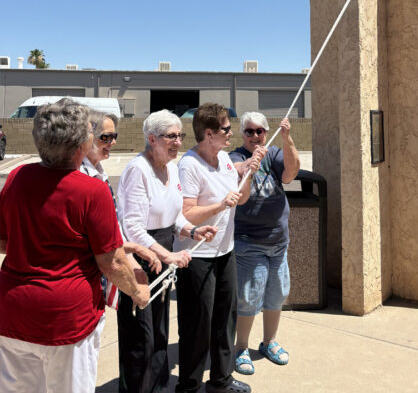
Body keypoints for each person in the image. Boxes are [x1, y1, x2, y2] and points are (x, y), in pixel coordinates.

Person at [0, 99, 149, 393]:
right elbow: (113, 263)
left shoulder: (17, 177)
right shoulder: (91, 190)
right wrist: (137, 292)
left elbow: (4, 242)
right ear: (82, 144)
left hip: (13, 311)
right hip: (67, 320)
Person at [116, 109, 217, 393]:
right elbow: (133, 227)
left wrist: (192, 231)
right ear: (152, 138)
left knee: (159, 333)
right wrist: (166, 254)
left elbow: (174, 218)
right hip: (140, 259)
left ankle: (157, 388)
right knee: (141, 336)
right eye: (171, 136)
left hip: (161, 253)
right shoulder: (138, 169)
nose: (178, 141)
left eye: (180, 135)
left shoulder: (173, 168)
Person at [174, 103, 261, 393]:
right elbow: (186, 213)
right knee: (197, 325)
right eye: (226, 129)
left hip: (225, 251)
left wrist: (248, 172)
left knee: (225, 319)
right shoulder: (189, 165)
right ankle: (189, 387)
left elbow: (242, 198)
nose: (231, 133)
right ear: (208, 134)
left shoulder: (224, 158)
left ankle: (221, 380)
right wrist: (221, 204)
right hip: (197, 255)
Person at [229, 112, 300, 376]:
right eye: (249, 131)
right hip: (248, 242)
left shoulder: (274, 153)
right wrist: (249, 165)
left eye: (260, 131)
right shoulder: (235, 156)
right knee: (248, 298)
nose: (255, 136)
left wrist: (287, 139)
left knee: (277, 294)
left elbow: (290, 174)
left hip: (279, 242)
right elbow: (237, 182)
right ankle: (241, 347)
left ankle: (268, 342)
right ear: (242, 134)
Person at [81, 111, 162, 307]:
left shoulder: (99, 173)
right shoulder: (83, 178)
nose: (113, 142)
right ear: (88, 138)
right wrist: (134, 288)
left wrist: (131, 262)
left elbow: (114, 227)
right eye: (106, 137)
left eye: (114, 136)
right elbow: (100, 243)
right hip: (87, 277)